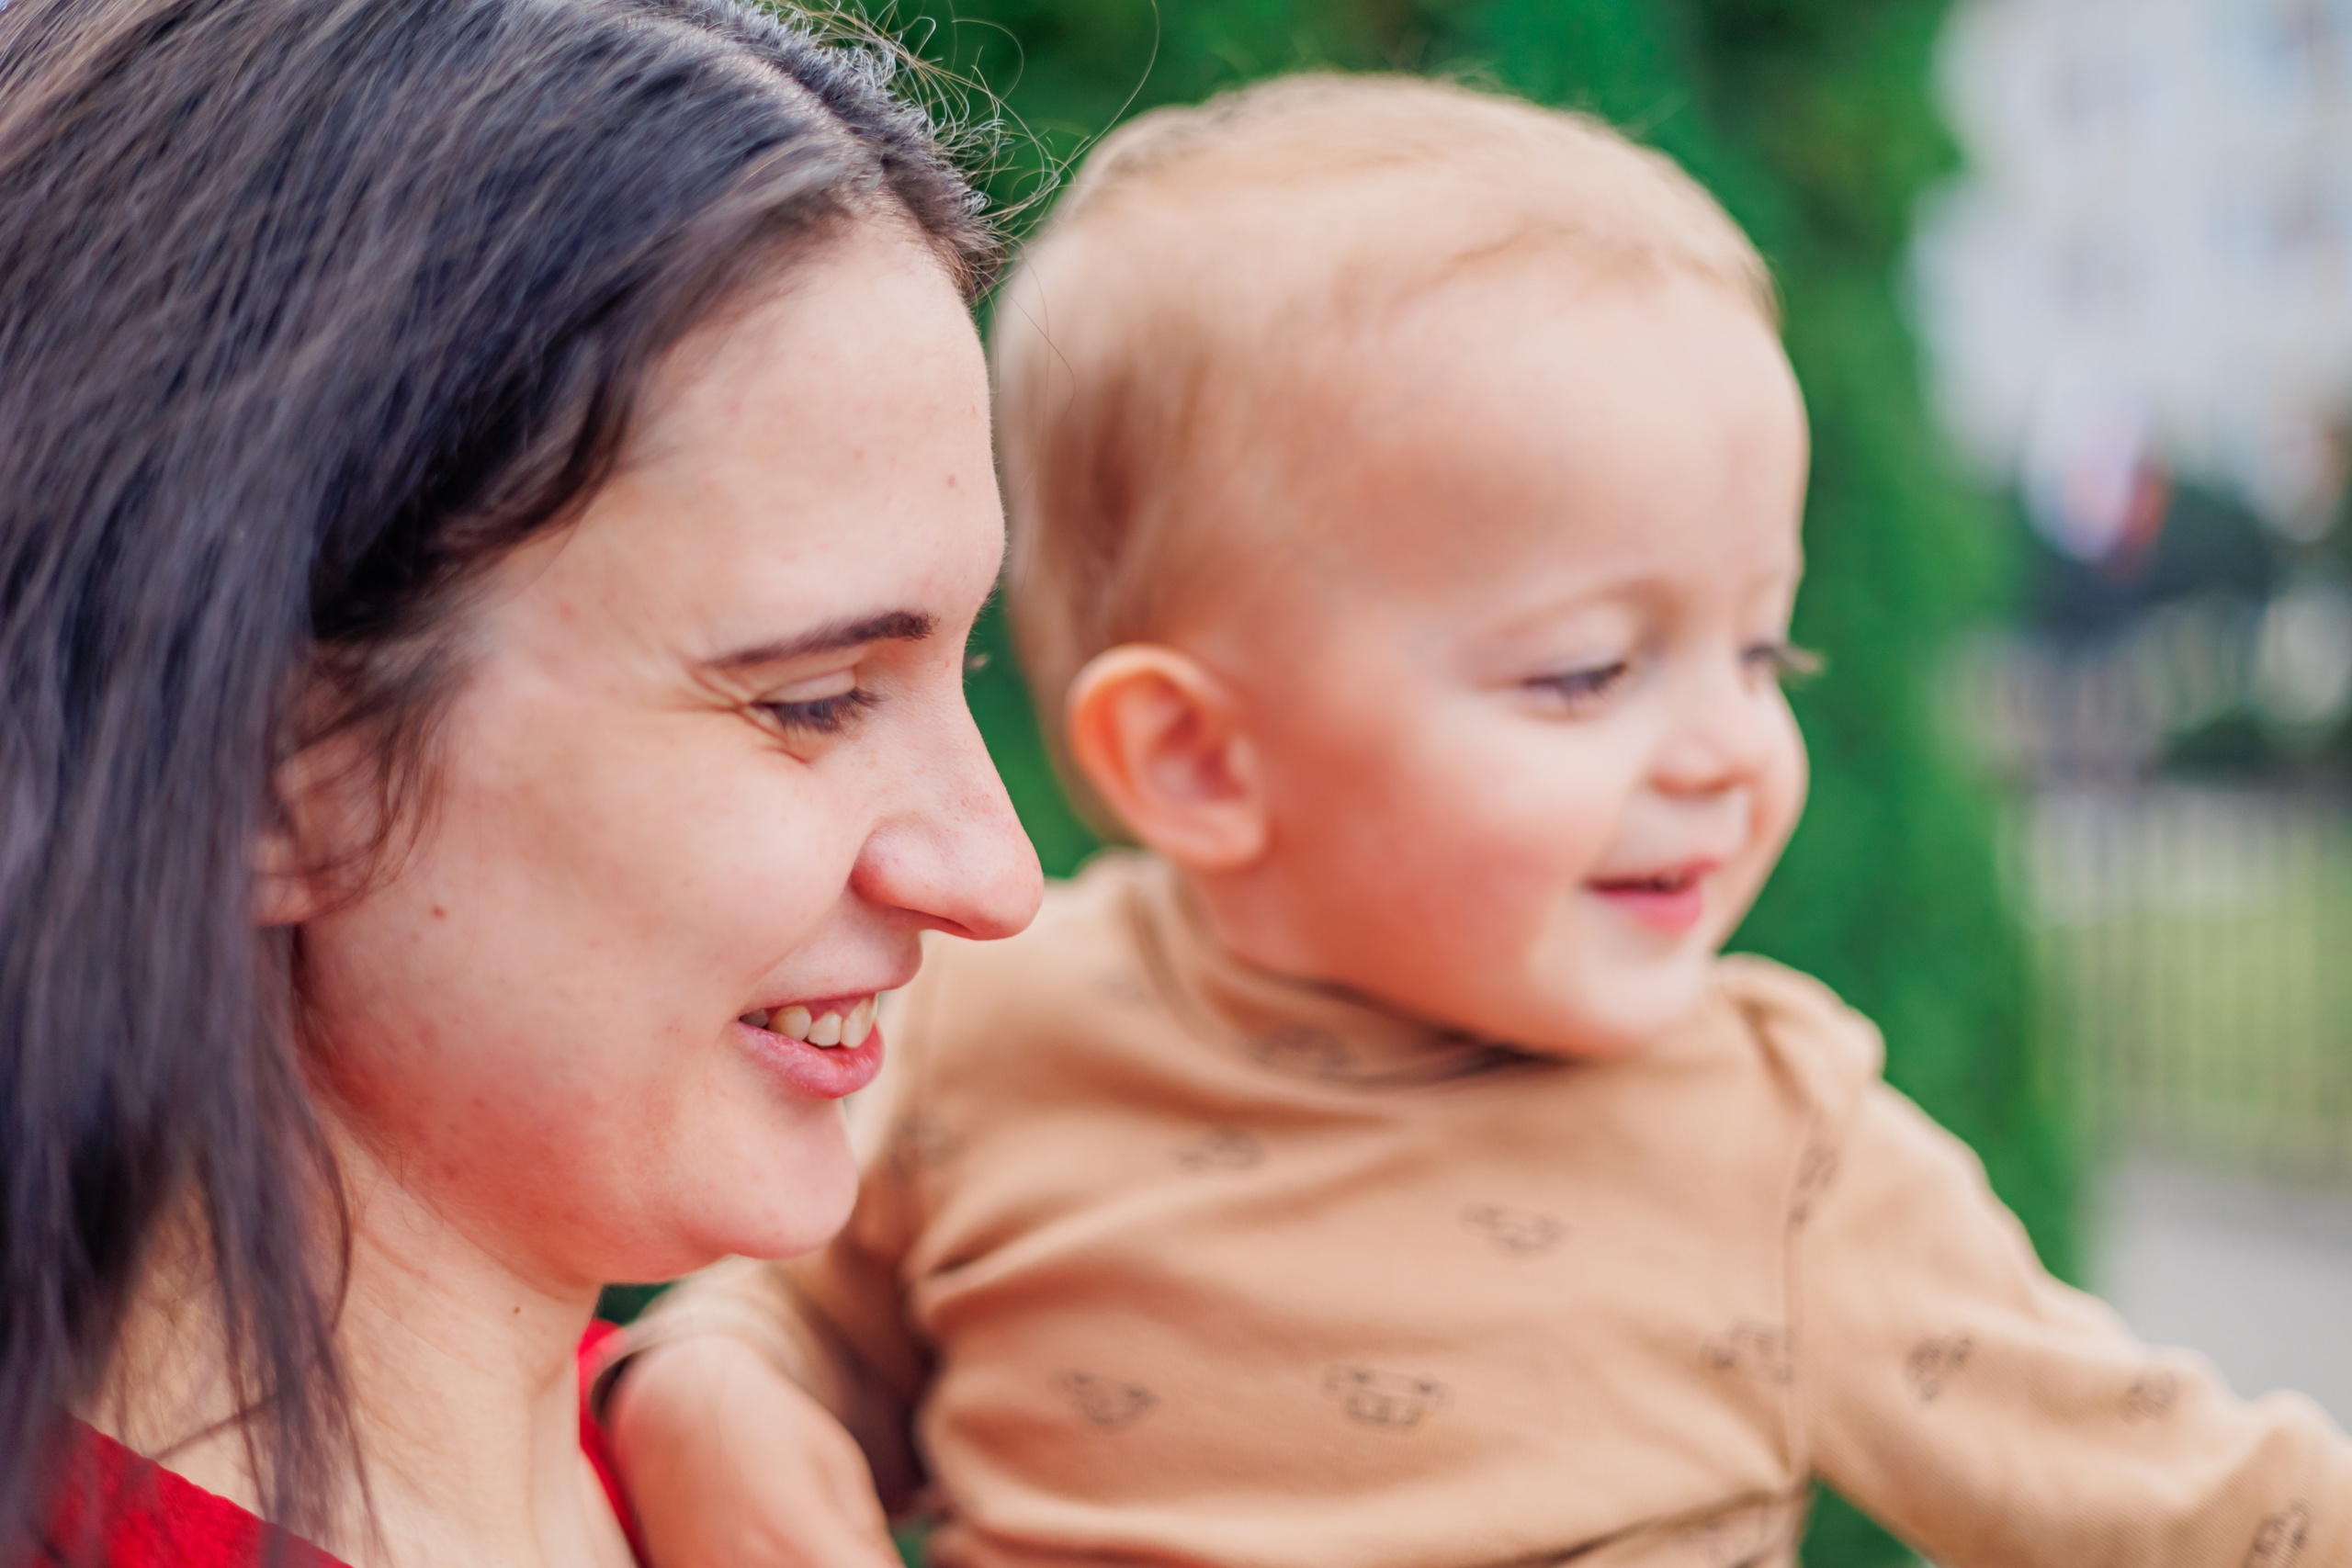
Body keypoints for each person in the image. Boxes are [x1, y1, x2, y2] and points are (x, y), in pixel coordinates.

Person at [608, 73, 2352, 1568]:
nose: (1730, 749)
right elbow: (795, 1320)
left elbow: (2208, 1506)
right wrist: (709, 1394)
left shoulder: (1780, 1140)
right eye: (1591, 673)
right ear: (1202, 763)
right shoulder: (987, 1029)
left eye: (1762, 649)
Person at [0, 1, 1042, 1564]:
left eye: (956, 672)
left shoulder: (715, 1462)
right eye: (816, 701)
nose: (998, 875)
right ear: (272, 768)